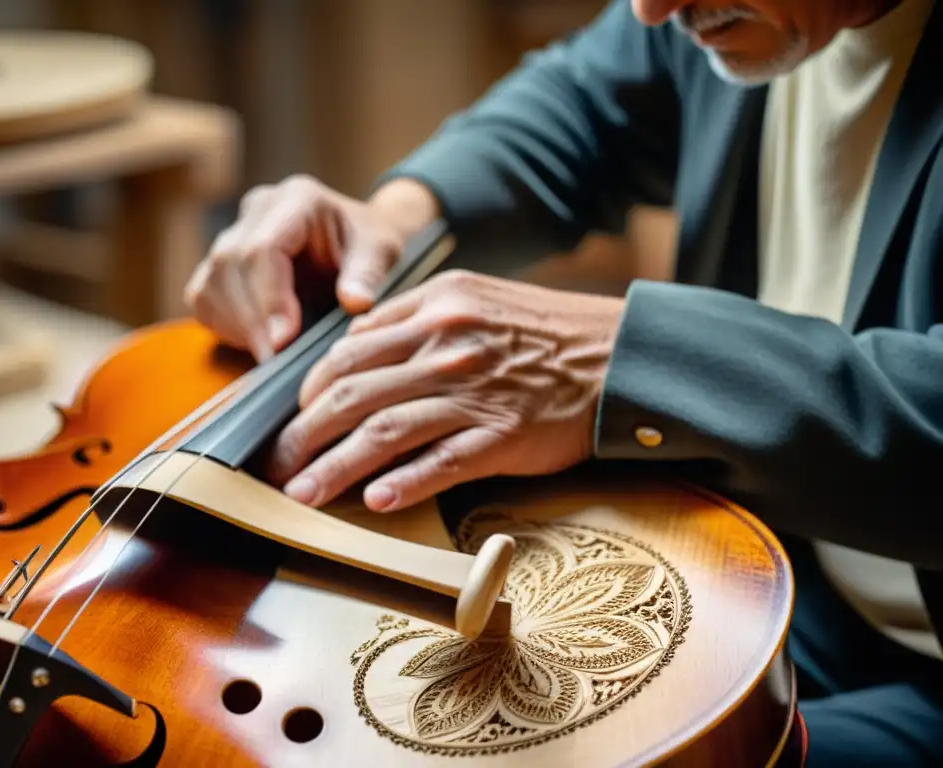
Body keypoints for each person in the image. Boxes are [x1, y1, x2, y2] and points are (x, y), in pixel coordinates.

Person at [184, 0, 943, 763]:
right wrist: (390, 224)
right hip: (784, 577)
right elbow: (584, 102)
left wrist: (630, 361)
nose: (650, 9)